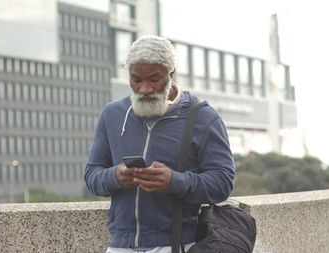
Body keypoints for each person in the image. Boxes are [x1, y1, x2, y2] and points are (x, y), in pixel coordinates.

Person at [84, 35, 235, 253]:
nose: (144, 89)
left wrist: (175, 181)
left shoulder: (203, 116)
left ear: (170, 72)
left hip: (176, 244)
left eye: (154, 79)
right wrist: (116, 176)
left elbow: (223, 182)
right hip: (120, 245)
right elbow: (91, 175)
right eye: (136, 80)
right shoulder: (112, 114)